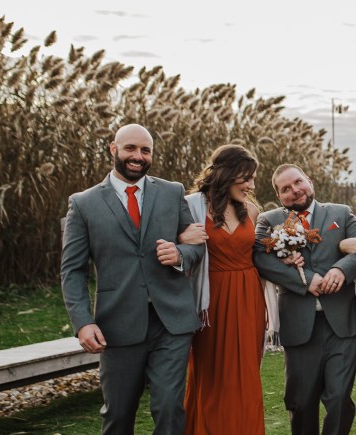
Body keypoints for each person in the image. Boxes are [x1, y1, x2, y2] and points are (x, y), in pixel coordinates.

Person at [60, 124, 204, 434]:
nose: (138, 156)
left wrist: (179, 255)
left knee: (168, 407)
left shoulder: (172, 191)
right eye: (130, 149)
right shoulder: (83, 204)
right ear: (113, 148)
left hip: (172, 321)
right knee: (119, 414)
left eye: (145, 150)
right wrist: (83, 323)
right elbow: (72, 270)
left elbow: (195, 246)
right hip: (117, 324)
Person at [253, 164, 356, 435]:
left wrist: (340, 269)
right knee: (301, 401)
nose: (294, 190)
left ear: (309, 181)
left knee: (339, 399)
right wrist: (306, 280)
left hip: (341, 324)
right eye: (285, 189)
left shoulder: (340, 214)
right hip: (299, 325)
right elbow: (260, 258)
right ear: (279, 195)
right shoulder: (269, 220)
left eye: (298, 182)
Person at [178, 144, 267, 434]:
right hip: (211, 301)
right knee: (212, 374)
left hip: (249, 298)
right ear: (226, 175)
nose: (252, 186)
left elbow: (261, 256)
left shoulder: (251, 210)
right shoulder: (191, 206)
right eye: (246, 178)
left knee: (246, 375)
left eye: (253, 179)